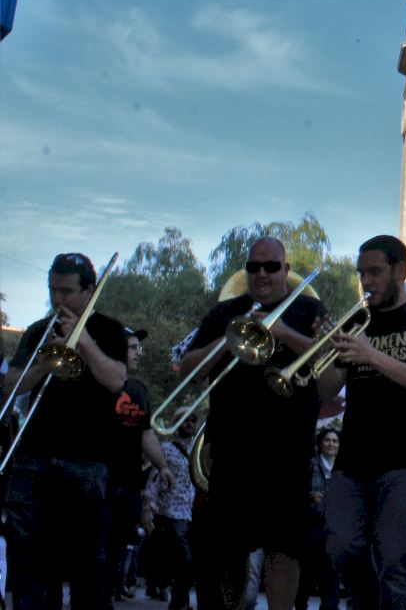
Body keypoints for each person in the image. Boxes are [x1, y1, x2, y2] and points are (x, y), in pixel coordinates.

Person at [179, 237, 326, 609]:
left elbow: (328, 360)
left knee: (284, 547)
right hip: (232, 445)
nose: (262, 274)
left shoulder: (308, 308)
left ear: (285, 270)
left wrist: (284, 334)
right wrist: (228, 340)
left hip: (288, 447)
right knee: (230, 548)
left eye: (271, 266)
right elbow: (187, 368)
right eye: (253, 267)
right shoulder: (225, 312)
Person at [319, 234, 406, 610]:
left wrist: (370, 354)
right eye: (361, 273)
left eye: (375, 272)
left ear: (400, 270)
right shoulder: (357, 321)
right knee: (340, 546)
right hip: (354, 459)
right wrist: (329, 352)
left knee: (394, 555)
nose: (366, 281)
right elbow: (327, 390)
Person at [3, 252, 128, 610]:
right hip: (35, 460)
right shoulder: (38, 331)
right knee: (31, 565)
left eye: (67, 291)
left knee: (87, 565)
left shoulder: (109, 330)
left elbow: (116, 380)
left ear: (89, 291)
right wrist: (45, 361)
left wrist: (83, 341)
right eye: (53, 290)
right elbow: (10, 386)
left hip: (87, 463)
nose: (58, 299)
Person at [106, 326, 174, 608]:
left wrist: (163, 466)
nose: (140, 353)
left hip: (129, 484)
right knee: (96, 550)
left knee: (117, 548)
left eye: (139, 347)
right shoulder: (100, 383)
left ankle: (106, 596)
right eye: (133, 347)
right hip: (101, 481)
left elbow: (146, 433)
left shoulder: (138, 389)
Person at [142, 407, 198, 610]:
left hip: (193, 514)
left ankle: (179, 600)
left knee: (189, 562)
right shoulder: (165, 450)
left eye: (192, 420)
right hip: (170, 513)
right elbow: (154, 480)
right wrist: (148, 508)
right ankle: (177, 602)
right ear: (176, 423)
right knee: (184, 560)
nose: (189, 424)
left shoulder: (199, 451)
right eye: (184, 420)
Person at [295, 427, 341, 610]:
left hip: (334, 525)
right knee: (307, 569)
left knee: (332, 570)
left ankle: (330, 606)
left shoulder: (342, 468)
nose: (331, 444)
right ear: (321, 443)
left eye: (335, 441)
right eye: (327, 440)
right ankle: (300, 605)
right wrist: (312, 496)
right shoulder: (311, 464)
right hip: (312, 525)